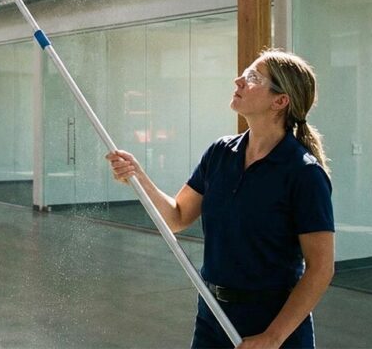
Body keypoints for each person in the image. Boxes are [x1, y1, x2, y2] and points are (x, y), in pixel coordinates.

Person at [106, 49, 334, 349]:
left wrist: (273, 337)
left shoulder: (304, 173)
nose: (238, 80)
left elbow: (320, 268)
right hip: (213, 315)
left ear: (280, 101)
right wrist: (138, 177)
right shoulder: (220, 154)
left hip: (272, 323)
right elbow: (176, 217)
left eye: (253, 78)